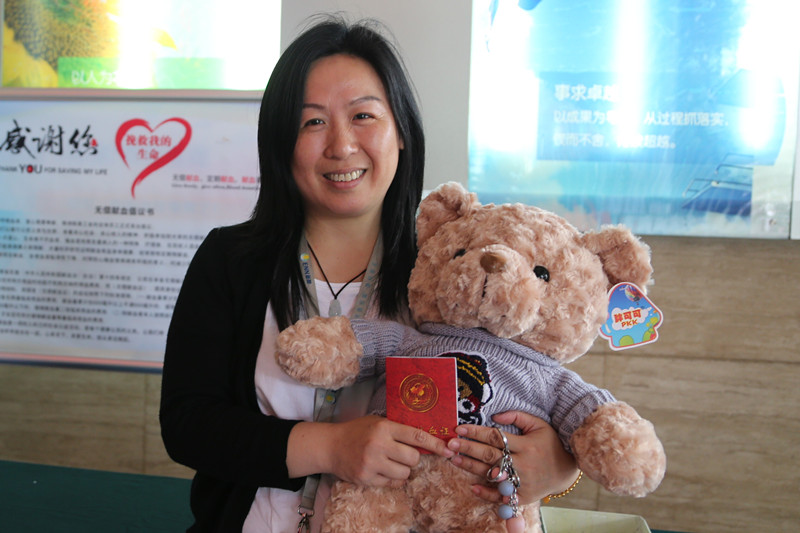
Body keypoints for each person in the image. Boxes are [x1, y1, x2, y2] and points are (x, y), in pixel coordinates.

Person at [160, 15, 579, 533]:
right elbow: (187, 424)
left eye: (363, 116)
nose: (341, 145)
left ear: (400, 131)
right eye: (312, 122)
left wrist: (561, 467)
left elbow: (535, 383)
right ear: (281, 141)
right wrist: (332, 447)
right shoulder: (230, 259)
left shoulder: (452, 270)